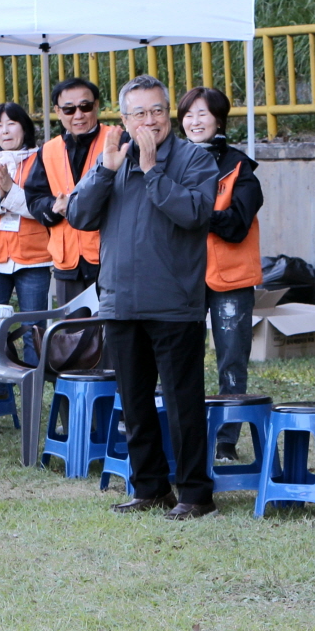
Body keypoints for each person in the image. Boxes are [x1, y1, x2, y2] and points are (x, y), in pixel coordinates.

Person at [67, 74, 219, 519]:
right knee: (134, 404)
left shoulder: (194, 158)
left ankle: (195, 494)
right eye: (139, 113)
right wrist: (105, 170)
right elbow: (78, 214)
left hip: (174, 304)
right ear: (124, 119)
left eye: (156, 110)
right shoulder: (113, 158)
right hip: (120, 302)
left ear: (168, 113)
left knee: (182, 403)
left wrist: (153, 172)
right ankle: (150, 487)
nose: (149, 121)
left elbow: (195, 213)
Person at [178, 86, 264, 463]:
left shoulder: (239, 166)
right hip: (183, 276)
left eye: (203, 114)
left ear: (219, 120)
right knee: (183, 359)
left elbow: (236, 224)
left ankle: (226, 440)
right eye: (188, 115)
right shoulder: (171, 160)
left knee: (231, 361)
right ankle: (189, 433)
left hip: (231, 279)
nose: (195, 121)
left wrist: (193, 212)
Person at [0, 103, 52, 365]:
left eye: (11, 124)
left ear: (24, 128)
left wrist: (11, 193)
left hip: (33, 259)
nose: (4, 131)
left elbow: (44, 208)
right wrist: (1, 195)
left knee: (33, 331)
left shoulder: (43, 161)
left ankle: (32, 384)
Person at [25, 78, 108, 306]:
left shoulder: (117, 141)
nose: (78, 115)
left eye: (85, 106)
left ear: (96, 105)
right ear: (58, 111)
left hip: (109, 258)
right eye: (69, 109)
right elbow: (34, 198)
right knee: (71, 327)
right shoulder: (48, 150)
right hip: (67, 262)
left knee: (112, 326)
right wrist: (55, 207)